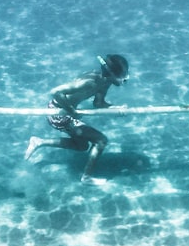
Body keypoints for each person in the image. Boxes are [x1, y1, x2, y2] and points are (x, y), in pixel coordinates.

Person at [24, 54, 129, 185]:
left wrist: (116, 108)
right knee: (101, 140)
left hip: (67, 113)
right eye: (121, 75)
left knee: (81, 146)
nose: (124, 79)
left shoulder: (105, 82)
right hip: (58, 113)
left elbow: (98, 103)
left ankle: (39, 142)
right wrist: (72, 110)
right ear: (111, 73)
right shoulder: (90, 82)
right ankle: (87, 177)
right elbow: (55, 92)